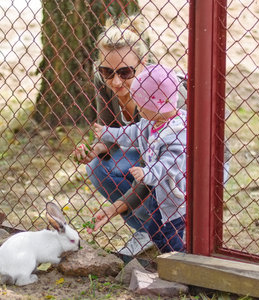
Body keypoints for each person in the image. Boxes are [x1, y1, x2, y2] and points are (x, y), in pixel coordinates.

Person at [72, 14, 187, 256]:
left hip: (180, 162)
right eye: (107, 71)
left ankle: (171, 231)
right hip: (150, 155)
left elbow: (155, 170)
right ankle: (147, 232)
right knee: (97, 166)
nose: (115, 81)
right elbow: (109, 132)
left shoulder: (162, 94)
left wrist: (117, 207)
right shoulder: (104, 82)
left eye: (125, 72)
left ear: (143, 63)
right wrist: (96, 149)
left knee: (146, 179)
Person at [92, 64, 187, 253]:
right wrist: (107, 132)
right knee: (155, 230)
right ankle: (168, 256)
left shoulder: (176, 133)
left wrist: (147, 172)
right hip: (157, 194)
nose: (139, 112)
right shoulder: (152, 121)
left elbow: (169, 164)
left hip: (173, 199)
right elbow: (131, 132)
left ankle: (179, 262)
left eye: (143, 108)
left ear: (158, 106)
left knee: (167, 234)